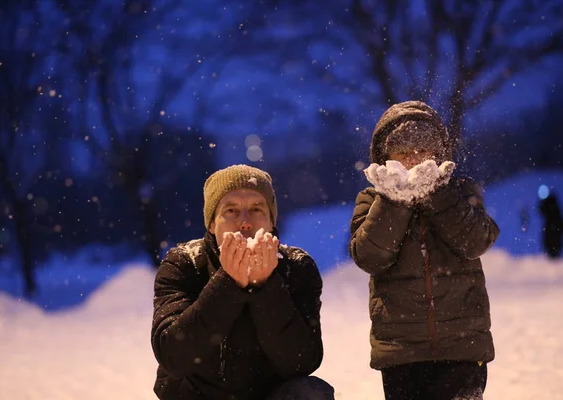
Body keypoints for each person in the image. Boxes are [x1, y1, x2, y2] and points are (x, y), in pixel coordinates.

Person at [349, 101, 500, 400]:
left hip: (463, 346)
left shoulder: (459, 191)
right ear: (385, 158)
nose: (413, 161)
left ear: (438, 154)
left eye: (422, 152)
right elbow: (369, 256)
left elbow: (477, 241)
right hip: (401, 352)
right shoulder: (372, 199)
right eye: (402, 154)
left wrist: (438, 194)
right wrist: (394, 199)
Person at [151, 164, 334, 399]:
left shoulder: (297, 267)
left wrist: (265, 286)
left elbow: (302, 362)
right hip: (197, 395)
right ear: (212, 224)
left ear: (271, 222)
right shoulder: (184, 263)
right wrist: (228, 282)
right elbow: (172, 357)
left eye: (257, 209)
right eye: (231, 211)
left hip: (270, 394)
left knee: (311, 393)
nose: (245, 222)